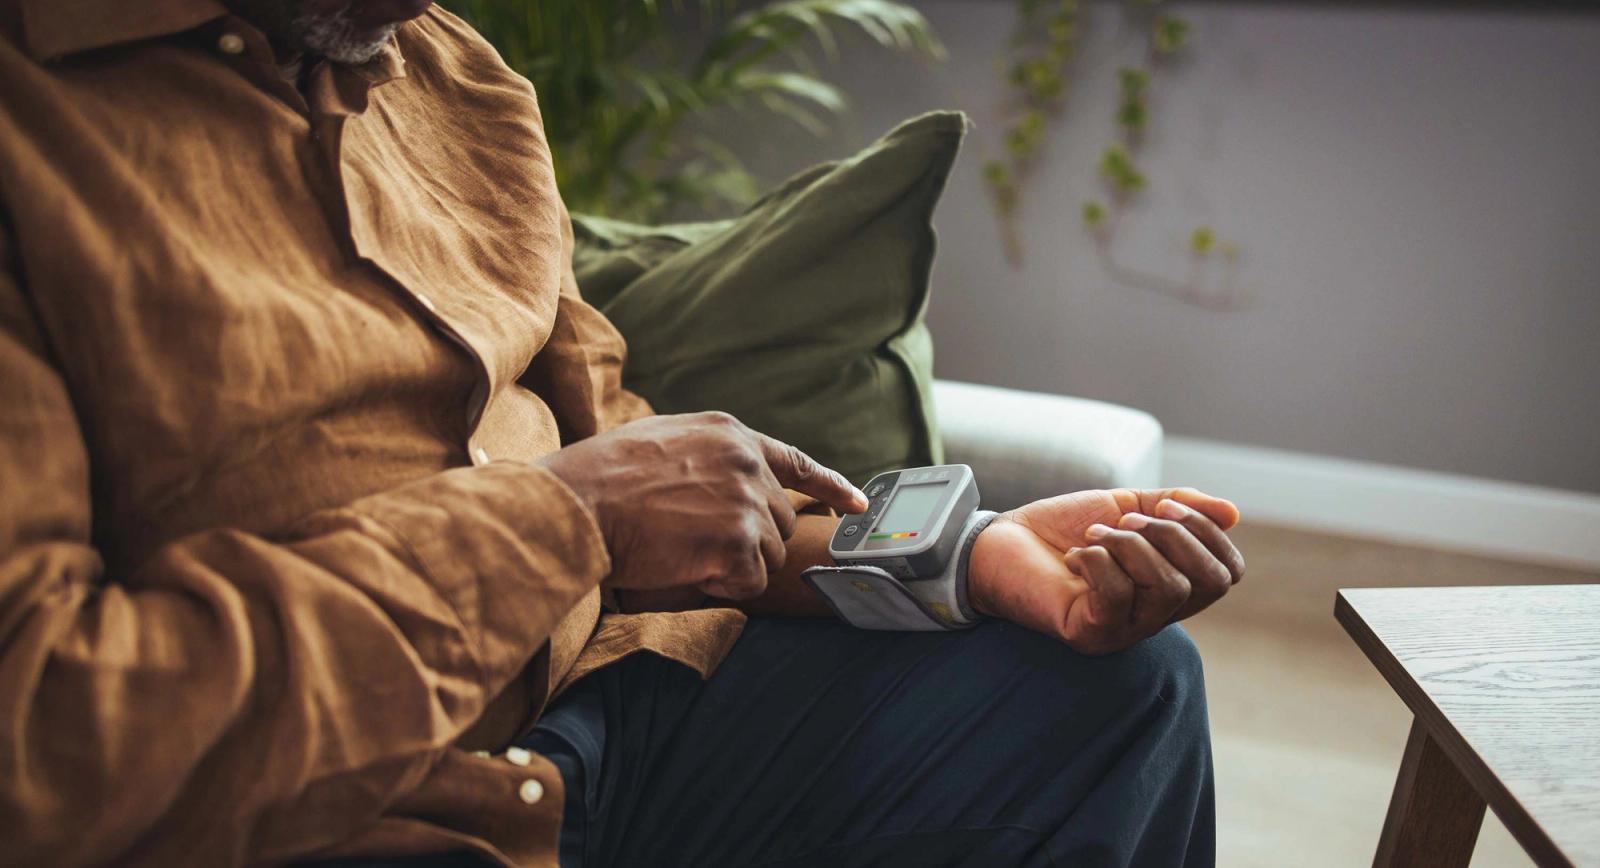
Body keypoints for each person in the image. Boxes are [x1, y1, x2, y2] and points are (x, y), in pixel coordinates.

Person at [0, 1, 1245, 865]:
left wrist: (961, 562)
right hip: (336, 817)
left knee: (1120, 693)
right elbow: (44, 745)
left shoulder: (455, 81)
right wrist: (566, 517)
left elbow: (649, 484)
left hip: (620, 700)